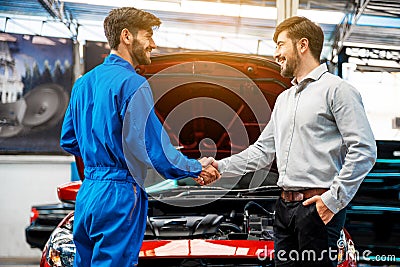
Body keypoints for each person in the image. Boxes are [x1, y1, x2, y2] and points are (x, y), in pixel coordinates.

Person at [208, 16, 377, 266]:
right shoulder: (284, 99)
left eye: (280, 44)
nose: (276, 53)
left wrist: (332, 201)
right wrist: (219, 167)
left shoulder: (337, 90)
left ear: (302, 45)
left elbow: (364, 150)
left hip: (316, 207)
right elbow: (262, 151)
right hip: (284, 209)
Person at [60, 7, 219, 267]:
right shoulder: (132, 83)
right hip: (119, 194)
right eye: (148, 36)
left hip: (88, 194)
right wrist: (194, 166)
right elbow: (152, 148)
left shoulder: (83, 84)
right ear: (127, 36)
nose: (153, 44)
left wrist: (98, 151)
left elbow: (68, 140)